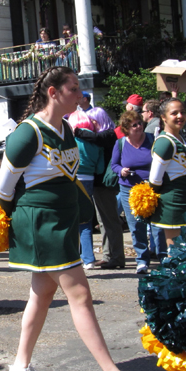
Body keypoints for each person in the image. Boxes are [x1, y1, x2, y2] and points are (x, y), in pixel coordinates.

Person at [0, 65, 157, 371]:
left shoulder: (66, 129)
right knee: (80, 295)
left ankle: (20, 367)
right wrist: (22, 227)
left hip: (63, 221)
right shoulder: (28, 134)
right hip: (42, 224)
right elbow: (3, 190)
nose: (81, 95)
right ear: (52, 93)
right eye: (73, 89)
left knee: (40, 297)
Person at [112, 110, 165, 273]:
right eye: (134, 125)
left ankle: (163, 257)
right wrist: (121, 171)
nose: (139, 126)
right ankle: (142, 260)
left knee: (157, 224)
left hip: (152, 188)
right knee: (136, 226)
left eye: (140, 123)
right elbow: (114, 165)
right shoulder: (120, 143)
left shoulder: (152, 139)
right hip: (129, 189)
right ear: (127, 128)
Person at [80, 106, 126, 270]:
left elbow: (94, 137)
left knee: (109, 220)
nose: (91, 125)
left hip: (104, 184)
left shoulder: (108, 135)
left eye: (92, 121)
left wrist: (75, 131)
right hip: (101, 184)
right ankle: (109, 255)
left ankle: (116, 256)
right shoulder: (108, 135)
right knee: (104, 220)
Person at [148, 98, 186, 247]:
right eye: (174, 113)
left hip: (184, 200)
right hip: (172, 204)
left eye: (182, 112)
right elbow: (155, 179)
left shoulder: (180, 138)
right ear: (163, 117)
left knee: (184, 249)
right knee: (175, 250)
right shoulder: (164, 142)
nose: (180, 116)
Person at [69, 110, 102, 271]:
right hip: (90, 179)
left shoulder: (71, 139)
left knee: (70, 219)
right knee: (86, 220)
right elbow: (101, 166)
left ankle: (73, 257)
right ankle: (89, 259)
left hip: (73, 178)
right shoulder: (95, 140)